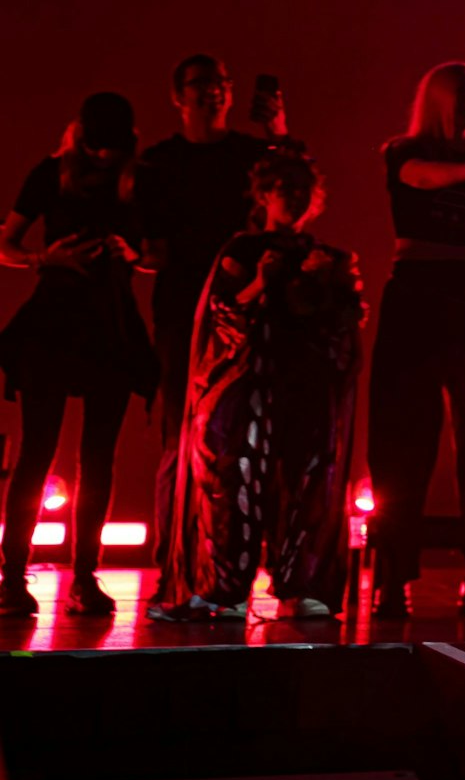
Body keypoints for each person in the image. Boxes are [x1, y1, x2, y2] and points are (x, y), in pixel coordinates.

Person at [152, 154, 364, 622]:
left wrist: (324, 286)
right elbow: (222, 314)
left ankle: (297, 586)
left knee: (308, 481)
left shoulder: (326, 255)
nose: (293, 197)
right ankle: (223, 586)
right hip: (248, 388)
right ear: (264, 195)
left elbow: (343, 323)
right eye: (284, 188)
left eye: (302, 189)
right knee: (233, 482)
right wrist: (260, 284)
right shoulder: (243, 249)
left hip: (304, 387)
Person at [135, 55, 296, 602]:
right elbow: (148, 246)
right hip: (185, 310)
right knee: (182, 438)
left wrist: (277, 131)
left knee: (248, 437)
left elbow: (295, 187)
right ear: (178, 95)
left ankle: (237, 562)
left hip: (249, 308)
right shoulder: (159, 163)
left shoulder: (251, 157)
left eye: (222, 84)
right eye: (202, 84)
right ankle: (175, 565)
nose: (215, 93)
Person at [366, 62, 465, 618]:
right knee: (402, 440)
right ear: (437, 99)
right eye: (464, 95)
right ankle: (392, 576)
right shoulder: (403, 151)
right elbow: (418, 177)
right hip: (414, 295)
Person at [0, 94, 157, 617]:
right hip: (55, 322)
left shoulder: (141, 179)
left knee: (98, 458)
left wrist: (131, 254)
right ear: (81, 139)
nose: (106, 159)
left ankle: (84, 576)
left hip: (110, 324)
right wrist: (48, 258)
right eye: (97, 149)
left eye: (114, 150)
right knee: (37, 451)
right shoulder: (50, 173)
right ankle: (12, 576)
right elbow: (6, 242)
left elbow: (160, 254)